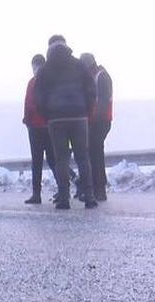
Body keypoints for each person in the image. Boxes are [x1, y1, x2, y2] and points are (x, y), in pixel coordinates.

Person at [34, 35, 98, 210]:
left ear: (49, 47)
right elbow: (91, 88)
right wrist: (85, 108)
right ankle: (90, 196)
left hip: (56, 119)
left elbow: (37, 95)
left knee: (61, 159)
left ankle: (64, 198)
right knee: (82, 157)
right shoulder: (78, 64)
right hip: (79, 117)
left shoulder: (45, 69)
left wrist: (47, 115)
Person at [23, 54, 57, 204]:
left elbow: (30, 103)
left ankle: (39, 193)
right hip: (40, 126)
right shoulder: (39, 81)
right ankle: (38, 193)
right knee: (47, 160)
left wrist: (28, 118)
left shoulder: (37, 82)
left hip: (42, 126)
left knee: (45, 160)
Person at [81, 53, 113, 201]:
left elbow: (102, 102)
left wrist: (93, 121)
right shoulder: (98, 75)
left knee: (95, 154)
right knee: (95, 153)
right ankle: (99, 186)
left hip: (100, 121)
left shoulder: (100, 76)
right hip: (99, 120)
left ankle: (99, 189)